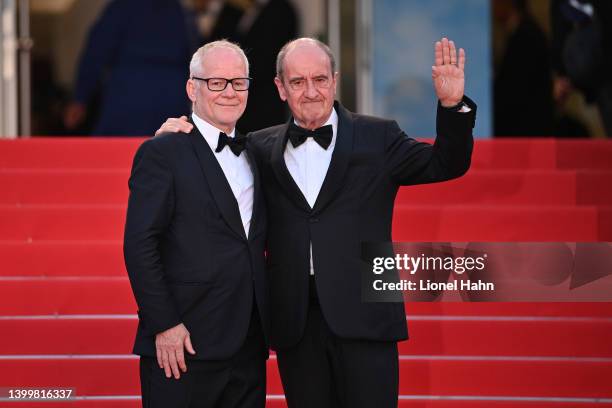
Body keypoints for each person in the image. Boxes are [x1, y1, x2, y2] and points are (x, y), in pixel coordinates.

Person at [157, 37, 476, 408]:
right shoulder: (258, 147)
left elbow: (446, 163)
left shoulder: (379, 137)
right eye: (297, 82)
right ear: (280, 87)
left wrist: (452, 106)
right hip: (296, 321)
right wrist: (175, 142)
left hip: (366, 315)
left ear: (335, 80)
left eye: (320, 79)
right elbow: (210, 165)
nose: (311, 92)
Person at [124, 40, 269, 408]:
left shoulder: (259, 153)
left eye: (239, 82)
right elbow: (140, 245)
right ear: (193, 88)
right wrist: (165, 324)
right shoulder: (162, 152)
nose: (229, 92)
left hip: (249, 347)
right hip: (183, 346)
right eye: (216, 82)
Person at [64, 0, 201, 136]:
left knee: (116, 152)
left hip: (128, 94)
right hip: (171, 95)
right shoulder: (180, 11)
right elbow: (195, 56)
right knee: (171, 151)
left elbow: (96, 53)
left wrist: (80, 98)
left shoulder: (120, 8)